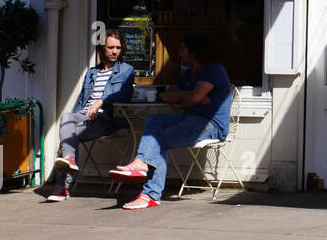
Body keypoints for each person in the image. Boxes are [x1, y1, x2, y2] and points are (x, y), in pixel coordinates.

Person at [109, 34, 231, 209]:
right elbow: (169, 95)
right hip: (189, 119)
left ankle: (149, 192)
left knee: (158, 140)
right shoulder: (188, 75)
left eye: (182, 48)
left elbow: (195, 98)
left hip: (210, 125)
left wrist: (191, 99)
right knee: (155, 120)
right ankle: (142, 164)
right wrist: (193, 97)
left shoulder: (213, 69)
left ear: (193, 51)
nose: (179, 53)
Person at [48, 31, 135, 201]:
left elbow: (125, 93)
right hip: (86, 117)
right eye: (111, 47)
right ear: (103, 48)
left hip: (106, 119)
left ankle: (62, 188)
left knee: (67, 139)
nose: (115, 51)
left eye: (118, 47)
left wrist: (101, 101)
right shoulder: (92, 72)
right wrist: (77, 116)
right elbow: (81, 100)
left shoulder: (126, 70)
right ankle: (69, 160)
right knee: (67, 118)